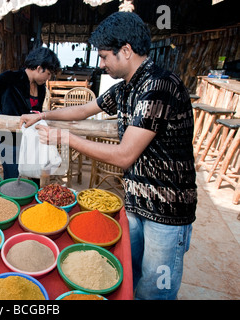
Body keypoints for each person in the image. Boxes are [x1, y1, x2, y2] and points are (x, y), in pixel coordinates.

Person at [20, 12, 197, 300]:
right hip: (137, 202)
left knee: (155, 290)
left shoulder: (159, 87)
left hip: (167, 210)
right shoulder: (127, 87)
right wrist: (43, 115)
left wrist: (66, 138)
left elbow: (125, 155)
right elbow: (83, 110)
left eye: (104, 57)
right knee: (132, 274)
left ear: (125, 51)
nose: (101, 64)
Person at [0, 47, 60, 181]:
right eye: (49, 73)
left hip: (32, 141)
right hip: (10, 139)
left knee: (35, 178)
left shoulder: (41, 88)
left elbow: (36, 113)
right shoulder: (9, 78)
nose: (49, 77)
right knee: (12, 182)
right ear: (40, 68)